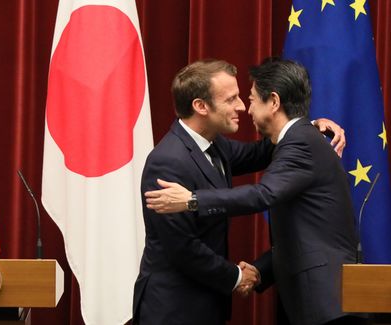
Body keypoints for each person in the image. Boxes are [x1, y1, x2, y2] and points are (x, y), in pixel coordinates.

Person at [145, 58, 361, 325]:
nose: (242, 107)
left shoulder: (218, 146)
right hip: (174, 308)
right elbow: (181, 247)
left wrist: (309, 125)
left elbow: (265, 179)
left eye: (246, 98)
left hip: (316, 302)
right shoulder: (167, 161)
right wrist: (237, 276)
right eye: (231, 99)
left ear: (273, 102)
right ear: (200, 106)